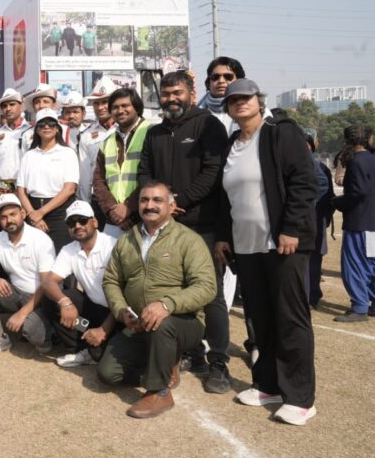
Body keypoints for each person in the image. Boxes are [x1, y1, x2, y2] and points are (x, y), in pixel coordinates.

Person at [213, 79, 319, 425]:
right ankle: (268, 385)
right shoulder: (232, 144)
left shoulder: (280, 132)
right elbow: (226, 198)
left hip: (282, 243)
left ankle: (300, 398)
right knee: (260, 317)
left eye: (246, 97)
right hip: (246, 246)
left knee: (290, 318)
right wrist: (224, 237)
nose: (240, 103)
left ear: (259, 101)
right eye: (233, 100)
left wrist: (291, 228)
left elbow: (304, 182)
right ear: (228, 108)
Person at [137, 70, 231, 393]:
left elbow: (213, 172)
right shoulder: (155, 132)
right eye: (165, 94)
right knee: (176, 291)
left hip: (203, 225)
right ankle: (193, 353)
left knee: (211, 294)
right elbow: (145, 172)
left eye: (177, 92)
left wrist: (180, 200)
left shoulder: (209, 125)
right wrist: (157, 202)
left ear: (191, 93)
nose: (171, 99)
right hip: (167, 226)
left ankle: (218, 362)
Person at [97, 181, 217, 419]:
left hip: (182, 322)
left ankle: (159, 392)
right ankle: (164, 362)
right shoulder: (126, 240)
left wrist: (166, 304)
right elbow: (111, 280)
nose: (149, 205)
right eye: (144, 200)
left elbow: (206, 286)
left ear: (171, 206)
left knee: (161, 324)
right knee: (108, 374)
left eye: (157, 200)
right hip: (139, 323)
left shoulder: (188, 240)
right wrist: (121, 310)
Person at [0, 194, 56, 357]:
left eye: (13, 214)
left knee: (34, 333)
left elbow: (47, 284)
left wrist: (22, 314)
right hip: (16, 293)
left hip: (42, 297)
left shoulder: (40, 239)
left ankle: (48, 334)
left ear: (23, 214)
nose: (9, 220)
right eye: (3, 217)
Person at [39, 201, 117, 368]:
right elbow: (48, 282)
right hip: (94, 309)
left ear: (95, 222)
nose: (77, 226)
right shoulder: (69, 249)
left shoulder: (113, 246)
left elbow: (125, 296)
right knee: (52, 299)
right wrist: (65, 303)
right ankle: (82, 348)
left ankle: (96, 346)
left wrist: (104, 330)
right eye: (71, 223)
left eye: (82, 220)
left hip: (117, 313)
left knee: (102, 358)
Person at [333, 125, 375, 321]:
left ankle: (359, 308)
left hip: (360, 222)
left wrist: (338, 202)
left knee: (356, 265)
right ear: (369, 139)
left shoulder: (356, 162)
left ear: (347, 140)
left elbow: (359, 192)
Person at [16, 108, 79, 252]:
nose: (46, 127)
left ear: (57, 129)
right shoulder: (29, 156)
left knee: (61, 254)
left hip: (60, 212)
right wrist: (33, 214)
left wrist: (41, 213)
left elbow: (69, 189)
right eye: (41, 124)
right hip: (32, 209)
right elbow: (21, 190)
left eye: (51, 123)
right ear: (36, 130)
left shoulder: (67, 153)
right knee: (34, 255)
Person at [92, 88, 148, 239]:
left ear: (136, 107)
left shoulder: (151, 133)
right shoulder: (107, 141)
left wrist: (128, 207)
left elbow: (154, 176)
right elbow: (98, 180)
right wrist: (112, 209)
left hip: (144, 216)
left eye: (125, 106)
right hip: (114, 219)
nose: (120, 110)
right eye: (115, 107)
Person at [0, 89, 31, 218]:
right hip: (2, 191)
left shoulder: (31, 131)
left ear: (21, 106)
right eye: (4, 106)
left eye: (12, 104)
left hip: (25, 191)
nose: (8, 109)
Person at [305, 129, 334, 308]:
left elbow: (323, 189)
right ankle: (311, 295)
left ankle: (311, 295)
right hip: (316, 218)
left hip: (311, 219)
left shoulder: (311, 163)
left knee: (311, 260)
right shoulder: (316, 164)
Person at [78, 79, 117, 204]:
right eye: (96, 103)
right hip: (98, 197)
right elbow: (84, 174)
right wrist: (85, 203)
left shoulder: (126, 129)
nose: (100, 107)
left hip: (123, 195)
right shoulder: (86, 135)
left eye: (105, 102)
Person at [197, 56, 247, 134]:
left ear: (239, 80)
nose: (221, 81)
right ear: (208, 82)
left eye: (228, 76)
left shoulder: (252, 108)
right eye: (215, 77)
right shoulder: (197, 113)